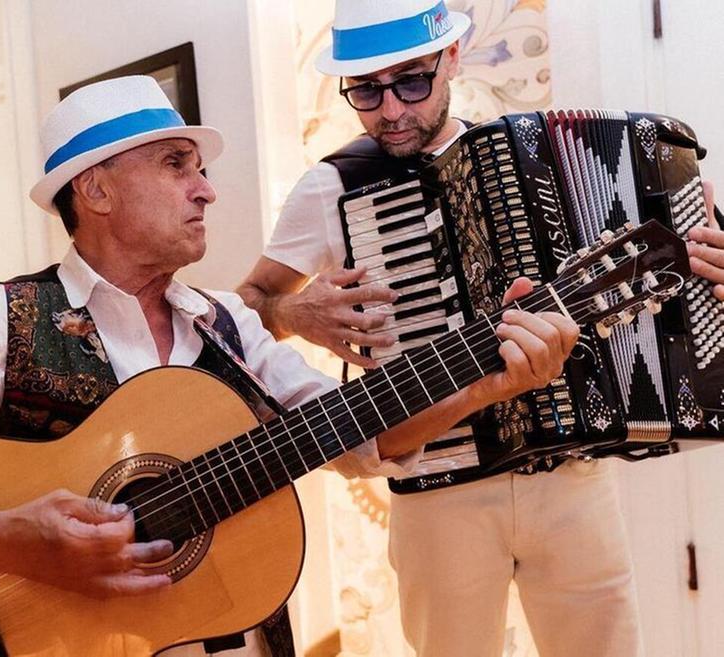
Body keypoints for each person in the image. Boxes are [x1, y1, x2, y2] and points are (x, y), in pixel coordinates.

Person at [0, 75, 577, 656]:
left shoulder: (229, 325)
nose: (207, 186)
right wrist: (6, 542)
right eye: (177, 164)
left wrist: (492, 379)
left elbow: (358, 435)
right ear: (97, 188)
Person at [239, 1, 724, 656]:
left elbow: (658, 286)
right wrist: (291, 312)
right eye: (365, 90)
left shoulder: (536, 160)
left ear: (453, 59)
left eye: (411, 80)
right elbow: (247, 305)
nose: (390, 111)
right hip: (438, 487)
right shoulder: (331, 187)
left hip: (571, 478)